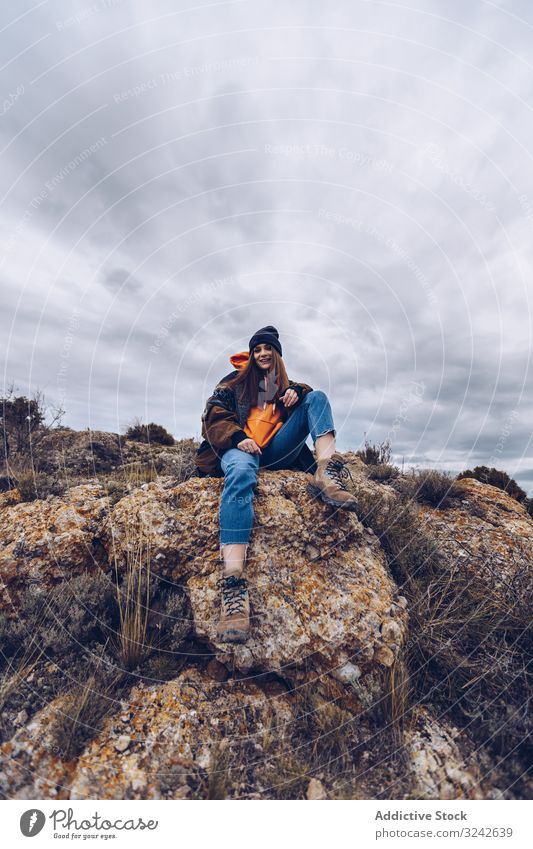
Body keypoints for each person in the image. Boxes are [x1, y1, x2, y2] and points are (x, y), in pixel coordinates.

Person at [195, 325, 358, 643]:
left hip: (276, 450)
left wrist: (300, 390)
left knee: (318, 397)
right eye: (257, 349)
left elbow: (307, 397)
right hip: (238, 449)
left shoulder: (284, 387)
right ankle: (233, 588)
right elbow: (213, 416)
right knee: (241, 475)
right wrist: (239, 437)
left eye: (268, 348)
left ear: (277, 354)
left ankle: (326, 471)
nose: (262, 354)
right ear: (252, 355)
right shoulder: (233, 383)